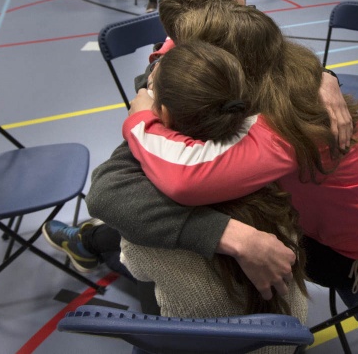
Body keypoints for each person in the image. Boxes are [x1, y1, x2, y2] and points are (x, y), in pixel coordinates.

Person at [124, 0, 358, 293]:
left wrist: (142, 117)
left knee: (207, 220)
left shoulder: (282, 125)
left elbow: (185, 181)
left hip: (351, 260)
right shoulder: (287, 73)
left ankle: (103, 249)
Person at [120, 39, 308, 326]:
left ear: (165, 115)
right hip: (288, 336)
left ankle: (88, 240)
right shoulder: (278, 179)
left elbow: (135, 265)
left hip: (198, 343)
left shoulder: (144, 234)